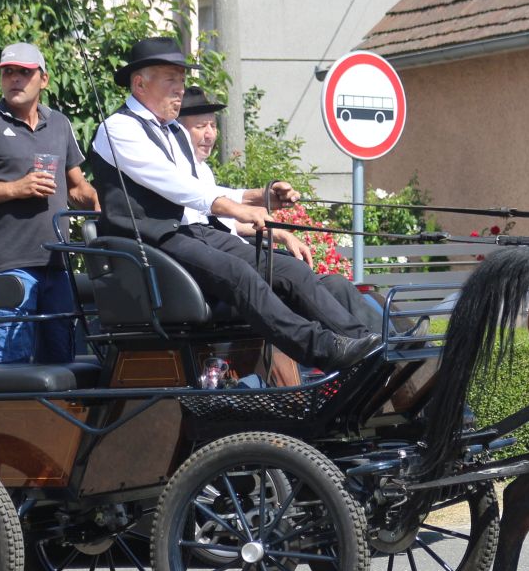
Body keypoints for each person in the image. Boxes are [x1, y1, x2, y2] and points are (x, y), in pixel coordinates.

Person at [87, 38, 380, 371]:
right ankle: (325, 350)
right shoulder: (118, 129)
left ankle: (367, 344)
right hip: (150, 242)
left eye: (182, 80)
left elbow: (203, 187)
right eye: (171, 80)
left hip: (190, 233)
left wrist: (259, 197)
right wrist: (238, 209)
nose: (180, 89)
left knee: (289, 269)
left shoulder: (175, 133)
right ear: (140, 83)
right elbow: (175, 186)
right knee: (240, 274)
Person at [0, 42, 98, 364]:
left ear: (44, 79)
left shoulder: (60, 124)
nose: (15, 79)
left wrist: (103, 201)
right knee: (13, 371)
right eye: (8, 73)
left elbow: (76, 186)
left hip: (58, 265)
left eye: (24, 72)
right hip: (12, 268)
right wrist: (17, 188)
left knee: (62, 366)